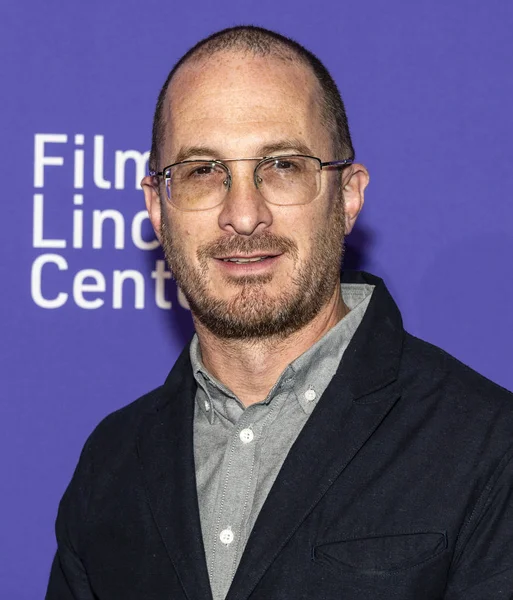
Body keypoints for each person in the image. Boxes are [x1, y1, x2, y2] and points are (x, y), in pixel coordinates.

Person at [46, 25, 513, 600]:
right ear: (157, 208)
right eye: (201, 171)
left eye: (283, 166)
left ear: (348, 195)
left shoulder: (489, 445)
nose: (243, 215)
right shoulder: (111, 463)